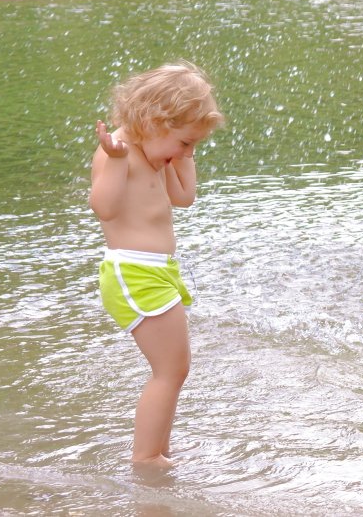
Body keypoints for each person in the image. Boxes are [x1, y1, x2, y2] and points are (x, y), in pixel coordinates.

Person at [90, 61, 224, 466]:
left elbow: (184, 198)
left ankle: (159, 448)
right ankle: (146, 456)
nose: (187, 153)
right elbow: (104, 209)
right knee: (170, 370)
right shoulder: (116, 150)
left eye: (194, 146)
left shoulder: (159, 153)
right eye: (185, 143)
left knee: (176, 368)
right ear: (152, 121)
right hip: (132, 272)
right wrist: (114, 162)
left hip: (157, 271)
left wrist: (180, 155)